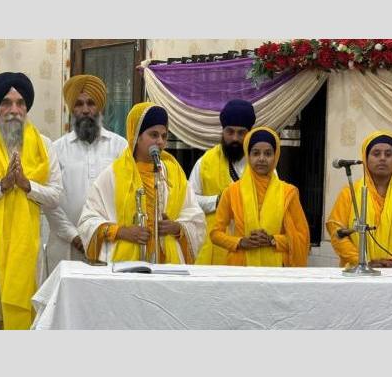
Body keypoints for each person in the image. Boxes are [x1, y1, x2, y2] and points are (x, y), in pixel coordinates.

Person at [0, 72, 63, 330]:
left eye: (20, 103)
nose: (14, 110)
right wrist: (1, 186)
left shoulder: (44, 146)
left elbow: (55, 196)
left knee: (26, 324)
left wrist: (28, 185)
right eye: (6, 103)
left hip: (26, 251)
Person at [77, 101, 205, 264]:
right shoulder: (113, 175)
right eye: (154, 135)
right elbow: (87, 221)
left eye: (164, 136)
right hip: (125, 264)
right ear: (136, 136)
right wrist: (121, 232)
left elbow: (196, 218)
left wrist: (177, 228)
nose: (160, 141)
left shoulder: (174, 174)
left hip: (167, 263)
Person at [43, 75, 127, 275]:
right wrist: (74, 236)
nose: (86, 110)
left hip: (109, 244)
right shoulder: (56, 149)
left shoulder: (120, 147)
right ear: (71, 109)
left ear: (100, 107)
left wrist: (103, 234)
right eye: (79, 104)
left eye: (91, 103)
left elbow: (127, 194)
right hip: (66, 246)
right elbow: (49, 201)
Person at [210, 127, 310, 266]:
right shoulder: (232, 192)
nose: (261, 159)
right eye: (256, 153)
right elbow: (215, 233)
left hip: (276, 269)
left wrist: (272, 240)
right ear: (248, 155)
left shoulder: (288, 192)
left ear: (275, 156)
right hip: (241, 267)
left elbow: (302, 237)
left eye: (268, 153)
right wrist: (240, 242)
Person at [326, 131, 392, 269]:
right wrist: (363, 262)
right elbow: (337, 232)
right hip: (358, 272)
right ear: (366, 158)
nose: (382, 158)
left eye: (388, 154)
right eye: (376, 153)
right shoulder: (350, 192)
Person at [188, 99, 255, 265]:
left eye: (241, 133)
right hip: (213, 246)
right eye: (230, 132)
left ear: (250, 133)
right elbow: (189, 201)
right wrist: (218, 201)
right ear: (222, 131)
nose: (235, 138)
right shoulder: (205, 162)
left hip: (250, 245)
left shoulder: (261, 164)